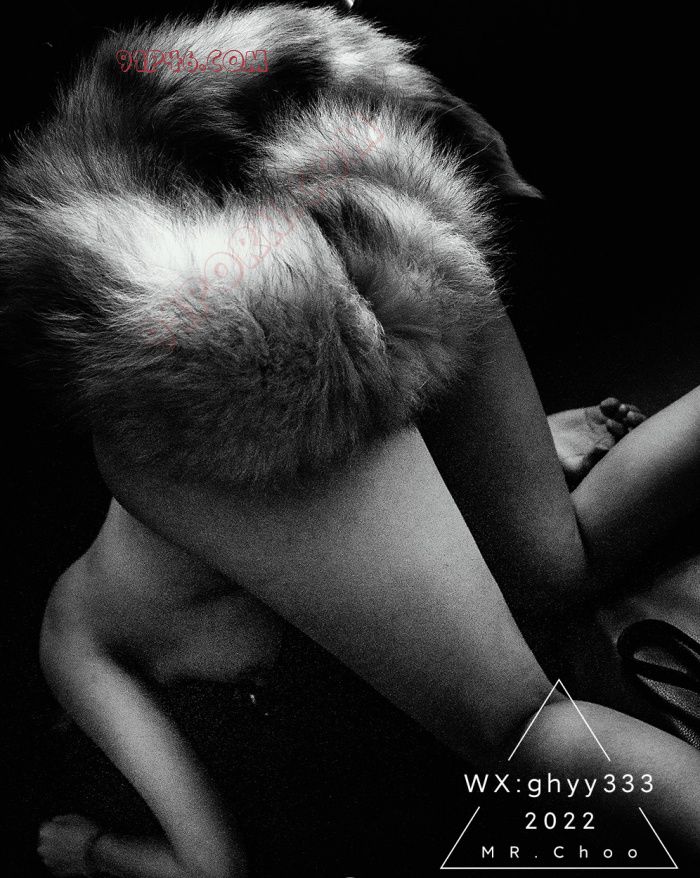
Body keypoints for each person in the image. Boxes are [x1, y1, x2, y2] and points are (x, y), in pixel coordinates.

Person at [0, 4, 694, 877]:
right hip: (352, 193)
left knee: (523, 730)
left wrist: (91, 850)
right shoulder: (182, 589)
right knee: (559, 562)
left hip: (217, 358)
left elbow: (215, 867)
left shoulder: (72, 646)